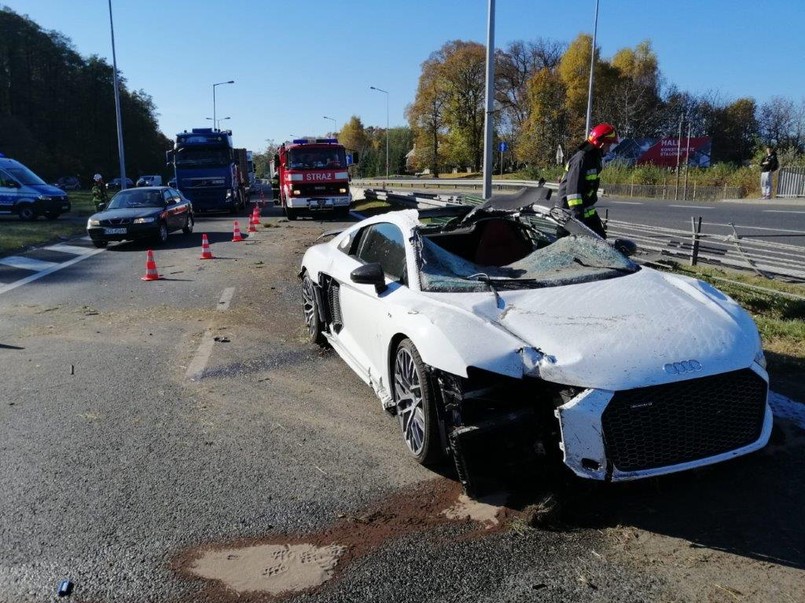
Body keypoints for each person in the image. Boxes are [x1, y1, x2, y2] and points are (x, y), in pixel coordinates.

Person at [556, 122, 618, 239]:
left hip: (584, 210)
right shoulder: (582, 159)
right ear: (601, 143)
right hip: (569, 212)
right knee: (565, 249)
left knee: (600, 240)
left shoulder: (593, 158)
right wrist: (577, 222)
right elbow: (573, 193)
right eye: (608, 145)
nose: (608, 149)